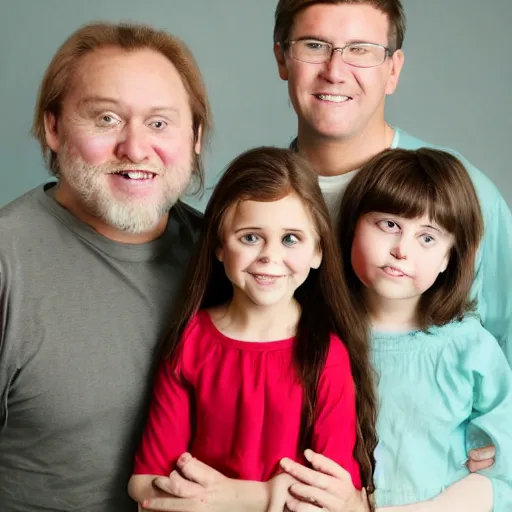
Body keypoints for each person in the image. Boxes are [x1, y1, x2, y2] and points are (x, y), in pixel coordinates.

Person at [0, 22, 211, 512]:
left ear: (195, 137)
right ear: (53, 127)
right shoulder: (9, 265)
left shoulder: (229, 258)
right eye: (107, 118)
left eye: (160, 123)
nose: (135, 149)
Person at [127, 147, 377, 510]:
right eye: (250, 237)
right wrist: (273, 496)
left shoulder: (326, 354)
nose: (269, 256)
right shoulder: (190, 342)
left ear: (318, 251)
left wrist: (237, 497)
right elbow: (145, 482)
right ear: (218, 246)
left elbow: (330, 499)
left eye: (291, 238)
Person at [272, 0, 512, 368]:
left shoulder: (464, 195)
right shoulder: (254, 204)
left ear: (393, 70)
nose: (335, 71)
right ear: (282, 59)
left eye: (360, 50)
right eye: (314, 46)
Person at [278, 148, 512, 511]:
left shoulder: (470, 349)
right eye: (389, 225)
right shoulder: (311, 333)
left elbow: (501, 480)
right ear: (353, 224)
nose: (402, 250)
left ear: (449, 259)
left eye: (428, 238)